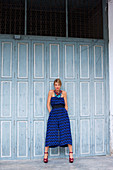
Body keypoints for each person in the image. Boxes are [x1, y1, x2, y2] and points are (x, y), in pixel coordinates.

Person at [43, 78, 74, 163]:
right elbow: (48, 104)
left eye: (58, 85)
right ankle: (45, 154)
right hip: (53, 114)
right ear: (54, 85)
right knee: (50, 132)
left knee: (66, 132)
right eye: (56, 85)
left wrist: (65, 113)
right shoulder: (51, 92)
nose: (57, 86)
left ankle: (71, 154)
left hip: (63, 114)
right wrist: (51, 112)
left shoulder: (64, 93)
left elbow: (66, 105)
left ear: (60, 85)